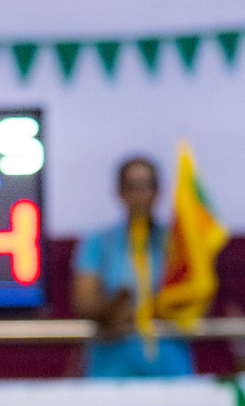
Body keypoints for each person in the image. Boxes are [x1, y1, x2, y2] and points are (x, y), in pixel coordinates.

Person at [72, 156, 194, 377]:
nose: (139, 195)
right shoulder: (98, 243)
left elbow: (197, 300)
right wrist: (114, 306)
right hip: (111, 364)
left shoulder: (177, 244)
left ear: (158, 191)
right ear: (119, 192)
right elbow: (85, 303)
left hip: (168, 361)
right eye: (132, 187)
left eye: (146, 186)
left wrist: (159, 308)